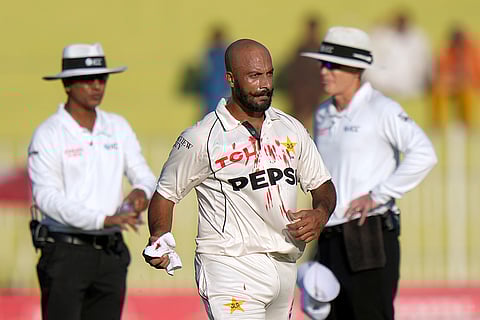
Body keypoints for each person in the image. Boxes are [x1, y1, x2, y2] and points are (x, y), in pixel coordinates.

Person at [144, 38, 337, 319]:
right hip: (229, 266)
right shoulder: (202, 137)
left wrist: (320, 214)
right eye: (254, 76)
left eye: (269, 74)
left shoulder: (290, 128)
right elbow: (166, 194)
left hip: (284, 264)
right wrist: (159, 236)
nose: (264, 84)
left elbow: (323, 185)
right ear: (231, 79)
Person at [301, 27, 438, 319]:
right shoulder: (322, 113)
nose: (324, 71)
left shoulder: (382, 109)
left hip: (368, 234)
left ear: (356, 69)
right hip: (328, 236)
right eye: (322, 64)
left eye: (333, 65)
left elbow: (424, 153)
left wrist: (378, 195)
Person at [27, 43, 157, 320]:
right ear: (68, 84)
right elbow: (46, 198)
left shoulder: (117, 126)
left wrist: (140, 192)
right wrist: (102, 219)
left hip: (110, 252)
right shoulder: (48, 134)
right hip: (65, 252)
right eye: (89, 80)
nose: (98, 86)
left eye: (102, 78)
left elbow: (144, 174)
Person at [363, 9, 432, 100]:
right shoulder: (384, 36)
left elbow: (425, 60)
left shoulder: (417, 37)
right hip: (386, 83)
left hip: (411, 83)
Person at [431, 24, 480, 129]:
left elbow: (475, 75)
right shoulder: (447, 51)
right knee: (439, 91)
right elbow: (441, 73)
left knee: (467, 91)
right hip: (452, 86)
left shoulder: (472, 51)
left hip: (469, 87)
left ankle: (469, 125)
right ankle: (438, 125)